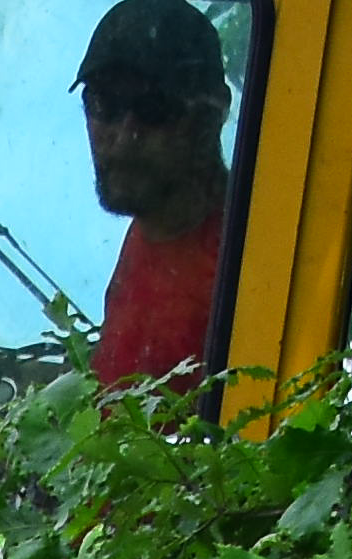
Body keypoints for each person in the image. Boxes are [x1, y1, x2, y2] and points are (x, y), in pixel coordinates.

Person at [81, 0, 235, 387]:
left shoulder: (242, 263)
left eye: (154, 108)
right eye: (104, 104)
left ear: (213, 113)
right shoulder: (152, 224)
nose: (125, 136)